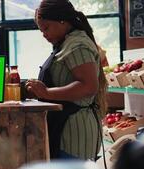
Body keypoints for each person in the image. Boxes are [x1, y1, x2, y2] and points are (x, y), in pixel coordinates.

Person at [25, 0, 108, 160]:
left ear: (62, 20)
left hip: (74, 135)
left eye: (46, 28)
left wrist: (47, 92)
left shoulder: (77, 45)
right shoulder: (66, 43)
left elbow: (89, 86)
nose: (44, 34)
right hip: (67, 131)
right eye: (41, 30)